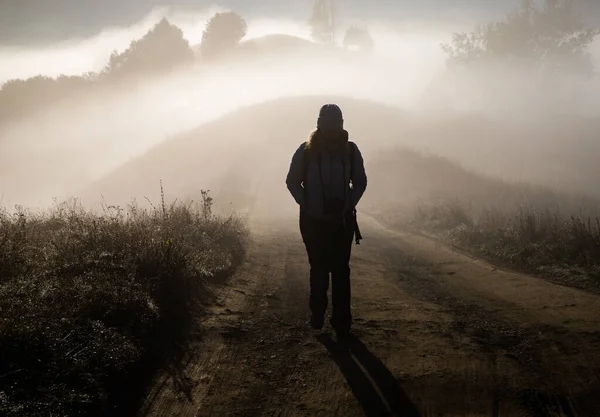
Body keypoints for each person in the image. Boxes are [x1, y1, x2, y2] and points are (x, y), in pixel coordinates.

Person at [285, 104, 367, 340]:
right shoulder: (306, 151)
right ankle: (318, 314)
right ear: (320, 125)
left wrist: (346, 204)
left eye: (334, 126)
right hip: (313, 221)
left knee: (340, 271)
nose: (331, 132)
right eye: (327, 126)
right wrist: (309, 205)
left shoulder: (350, 151)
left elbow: (360, 182)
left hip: (340, 221)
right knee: (320, 268)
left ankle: (341, 322)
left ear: (341, 125)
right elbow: (292, 181)